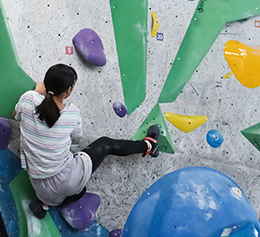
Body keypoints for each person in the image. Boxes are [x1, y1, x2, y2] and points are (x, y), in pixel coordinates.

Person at [14, 64, 160, 218]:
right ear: (69, 90)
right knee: (105, 144)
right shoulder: (72, 113)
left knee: (68, 191)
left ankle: (44, 204)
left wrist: (37, 92)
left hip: (40, 186)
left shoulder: (28, 99)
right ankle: (149, 145)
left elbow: (17, 114)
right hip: (67, 179)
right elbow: (76, 141)